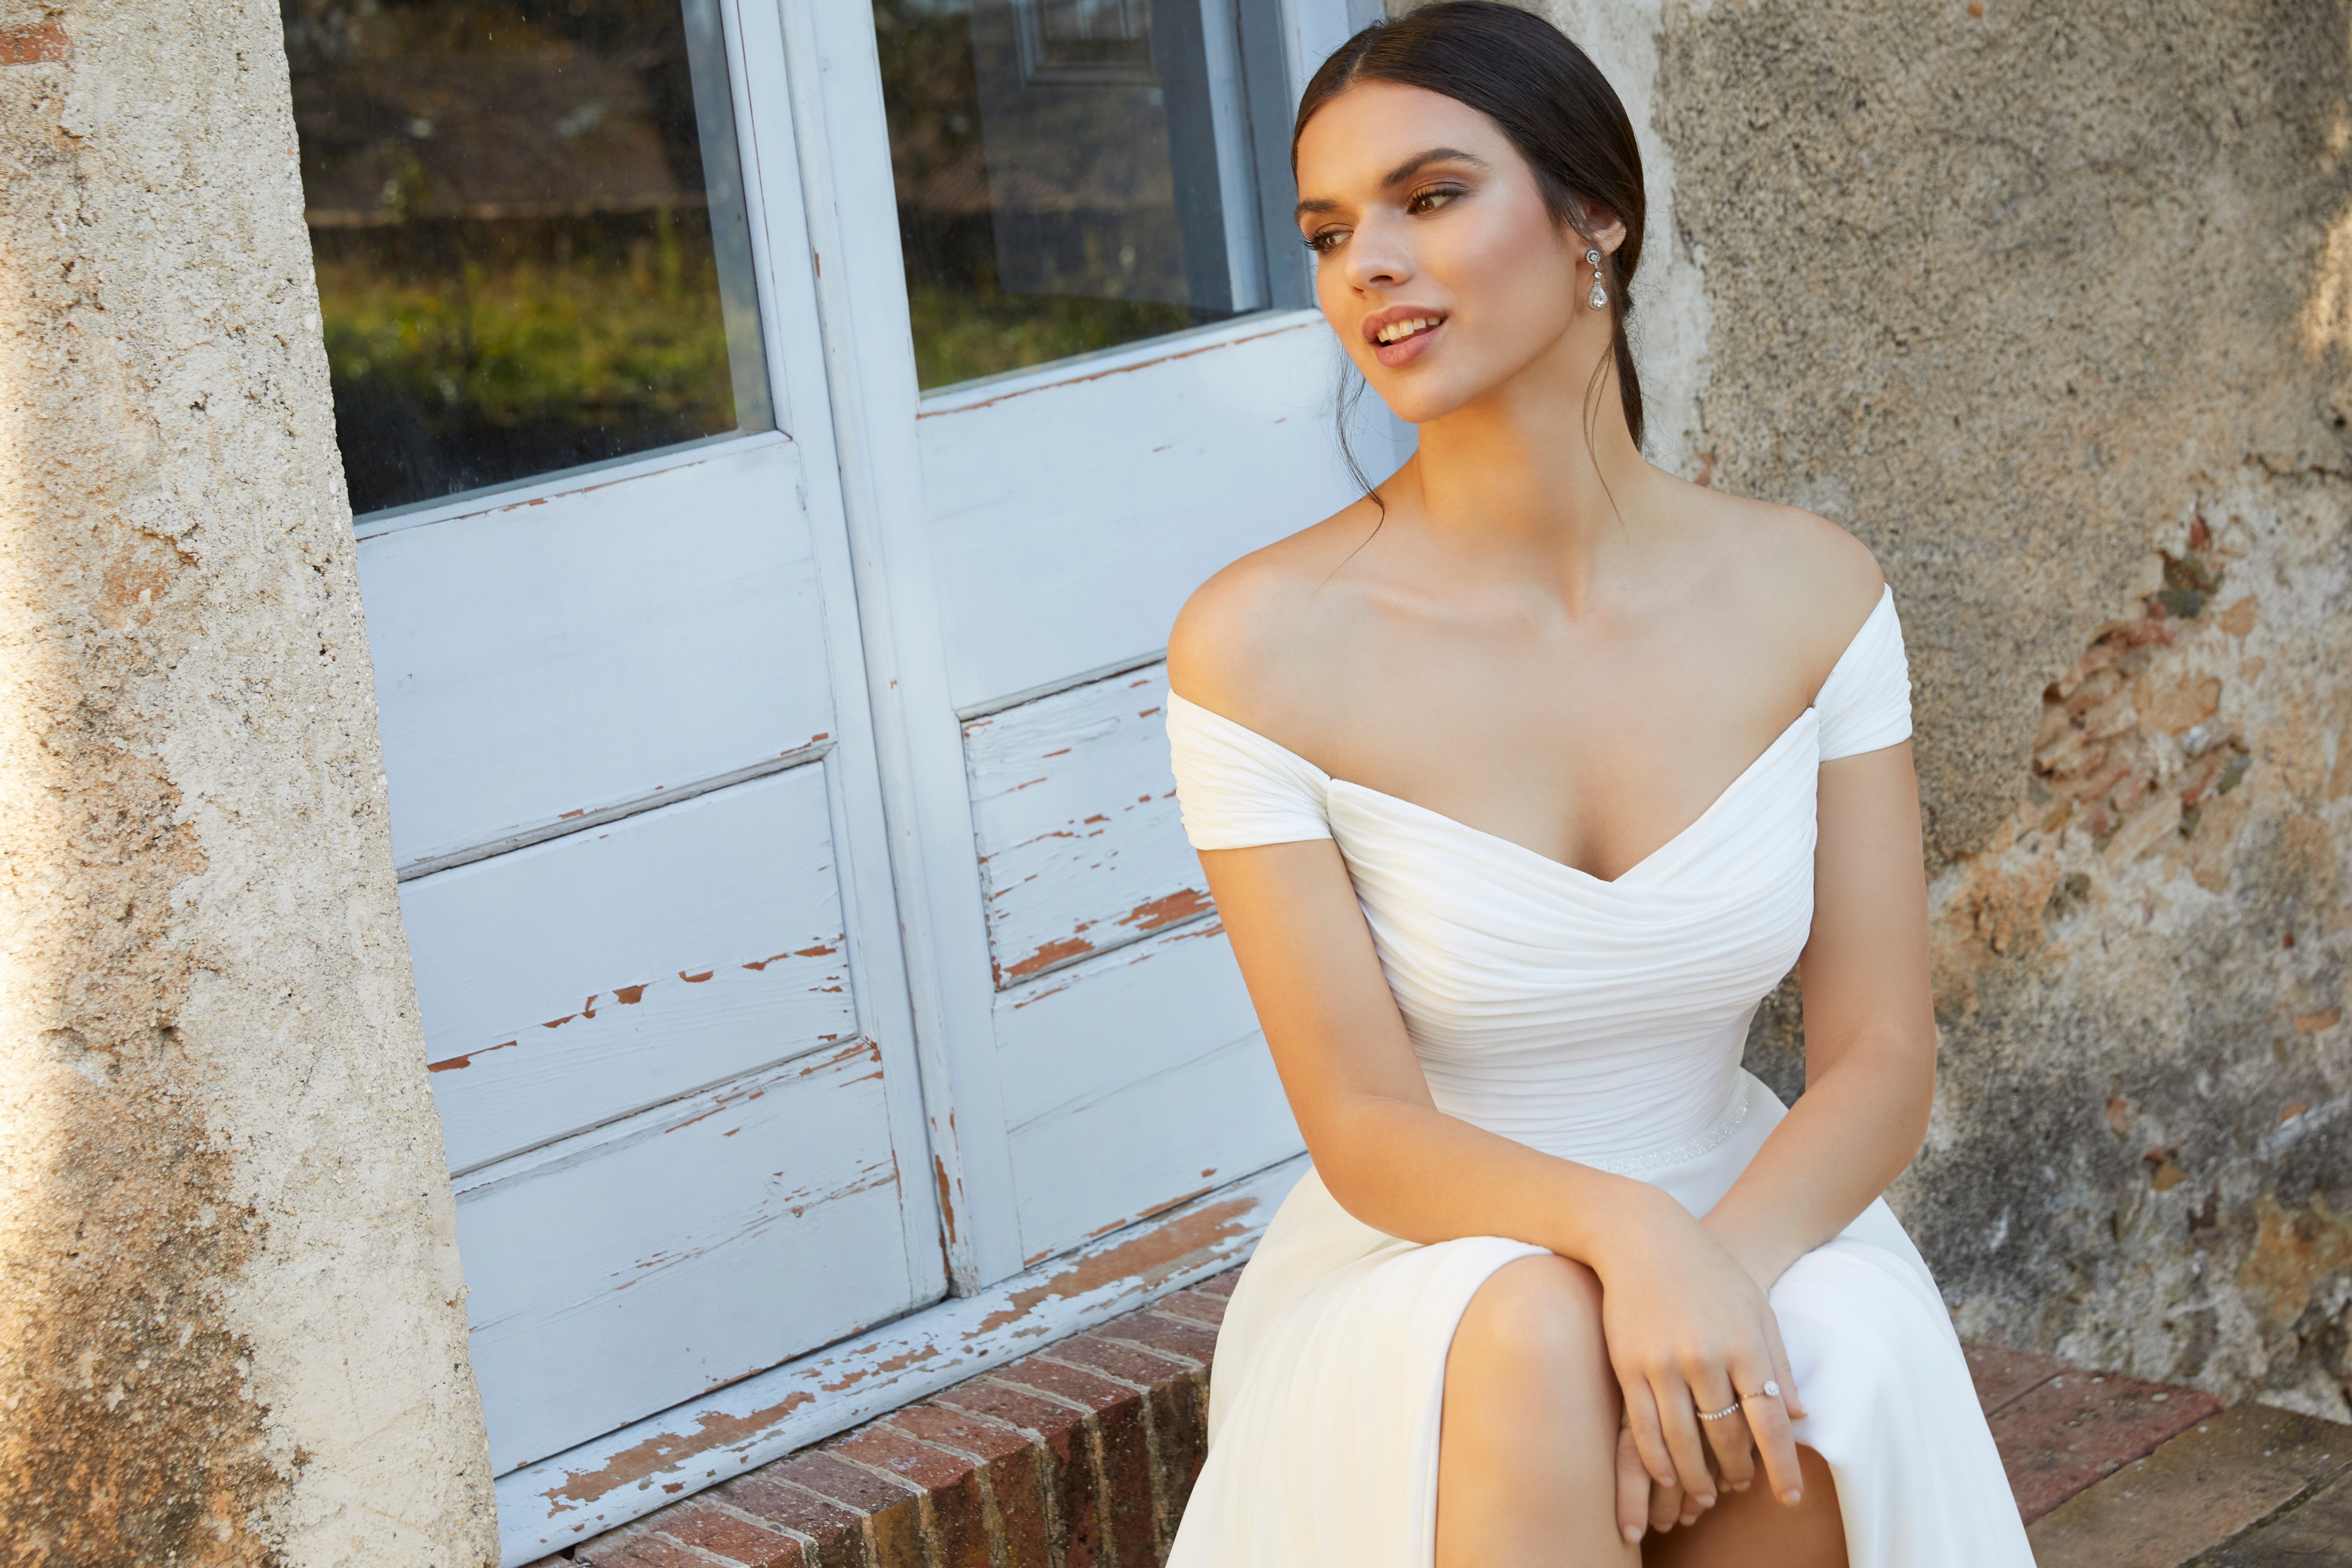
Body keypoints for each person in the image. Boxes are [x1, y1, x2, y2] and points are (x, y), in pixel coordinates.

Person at [1158, 7, 2034, 1566]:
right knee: (1529, 1332)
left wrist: (1710, 1268)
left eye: (1429, 197)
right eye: (1328, 227)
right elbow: (1361, 1120)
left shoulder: (1813, 595)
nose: (1368, 260)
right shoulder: (1261, 644)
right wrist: (1625, 1237)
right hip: (1429, 1253)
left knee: (1827, 1368)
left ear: (1596, 220)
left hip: (1745, 1199)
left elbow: (1883, 1055)